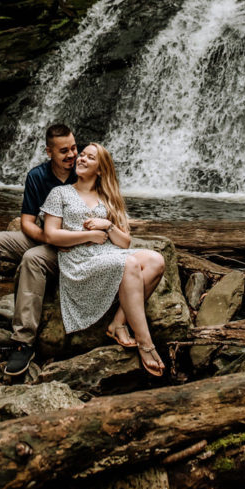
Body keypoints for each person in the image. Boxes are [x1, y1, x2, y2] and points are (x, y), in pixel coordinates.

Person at [42, 142, 166, 377]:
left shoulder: (109, 198)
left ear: (100, 169)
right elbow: (51, 234)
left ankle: (118, 323)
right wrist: (88, 234)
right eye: (83, 155)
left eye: (90, 157)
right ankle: (145, 343)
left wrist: (107, 225)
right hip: (79, 260)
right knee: (129, 263)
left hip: (108, 253)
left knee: (156, 261)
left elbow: (124, 243)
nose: (81, 159)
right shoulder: (60, 193)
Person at [0, 122, 78, 379]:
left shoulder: (84, 172)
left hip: (73, 243)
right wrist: (48, 237)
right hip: (44, 236)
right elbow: (27, 223)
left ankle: (23, 341)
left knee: (32, 258)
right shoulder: (37, 176)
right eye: (64, 151)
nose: (72, 155)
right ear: (49, 152)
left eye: (74, 148)